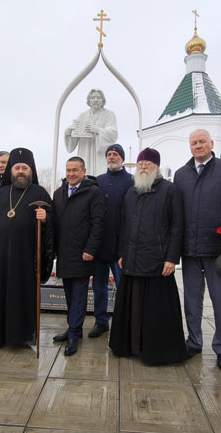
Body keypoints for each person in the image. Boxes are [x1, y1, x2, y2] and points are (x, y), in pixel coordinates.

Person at [173, 129, 221, 371]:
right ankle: (194, 341)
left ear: (211, 144)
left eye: (202, 141)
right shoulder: (181, 175)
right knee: (192, 302)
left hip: (220, 251)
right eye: (194, 142)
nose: (198, 146)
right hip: (190, 251)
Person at [109, 148, 186, 365]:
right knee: (132, 307)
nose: (143, 166)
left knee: (156, 311)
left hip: (158, 262)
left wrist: (172, 258)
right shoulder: (131, 193)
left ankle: (155, 351)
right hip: (132, 259)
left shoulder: (170, 191)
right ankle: (132, 346)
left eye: (148, 163)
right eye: (141, 163)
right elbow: (124, 226)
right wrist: (122, 253)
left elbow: (177, 226)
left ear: (157, 167)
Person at [0, 147, 54, 348]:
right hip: (0, 255)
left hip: (25, 256)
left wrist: (46, 218)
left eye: (25, 168)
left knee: (21, 296)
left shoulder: (40, 192)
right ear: (11, 170)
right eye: (17, 167)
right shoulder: (1, 192)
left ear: (31, 171)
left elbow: (54, 221)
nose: (21, 171)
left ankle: (19, 337)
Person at [51, 157, 105, 356]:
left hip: (83, 254)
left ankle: (74, 333)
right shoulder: (58, 194)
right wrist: (54, 249)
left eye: (75, 170)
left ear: (83, 171)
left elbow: (98, 224)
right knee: (69, 294)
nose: (71, 174)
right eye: (68, 170)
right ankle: (72, 328)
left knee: (79, 296)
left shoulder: (93, 193)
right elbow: (55, 223)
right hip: (65, 254)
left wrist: (91, 249)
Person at [89, 144, 133, 338]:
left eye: (115, 154)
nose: (112, 157)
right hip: (99, 246)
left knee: (123, 288)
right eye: (109, 154)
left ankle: (124, 322)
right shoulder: (98, 181)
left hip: (120, 246)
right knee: (99, 288)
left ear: (122, 159)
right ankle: (101, 321)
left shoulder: (131, 181)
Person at [64, 89, 118, 176]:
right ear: (89, 100)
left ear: (102, 100)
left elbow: (113, 133)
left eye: (98, 97)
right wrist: (68, 133)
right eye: (93, 98)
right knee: (85, 172)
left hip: (100, 152)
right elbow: (74, 136)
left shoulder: (109, 114)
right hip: (86, 150)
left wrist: (97, 130)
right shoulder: (82, 116)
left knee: (101, 176)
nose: (96, 100)